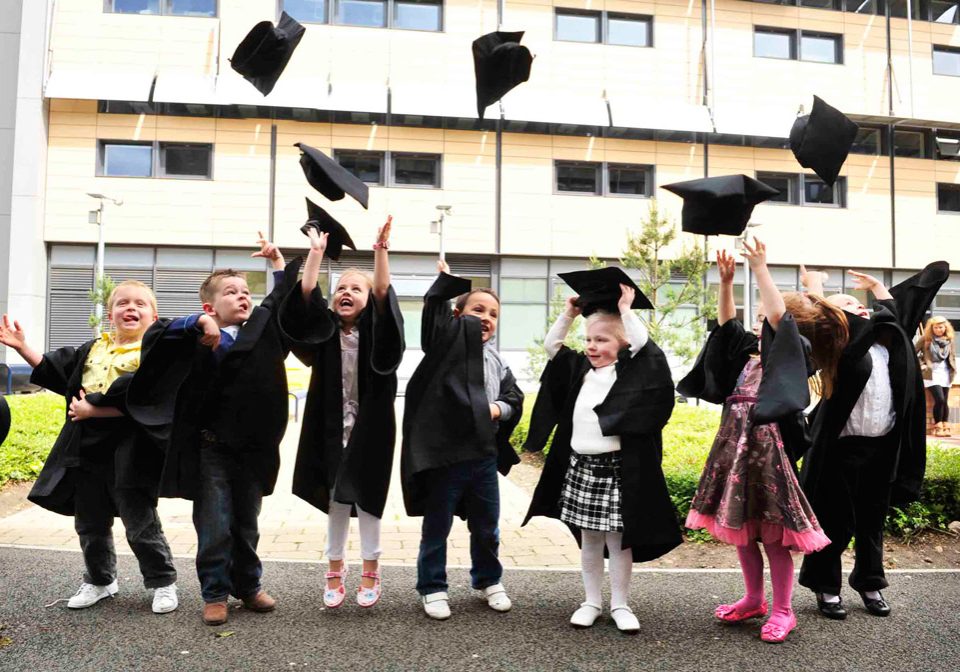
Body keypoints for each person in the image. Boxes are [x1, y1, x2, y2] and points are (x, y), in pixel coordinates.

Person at [127, 234, 298, 626]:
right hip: (211, 450)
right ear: (210, 306)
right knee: (215, 523)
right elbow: (158, 332)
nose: (243, 297)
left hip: (253, 449)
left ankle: (249, 585)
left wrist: (277, 264)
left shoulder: (261, 335)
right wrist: (198, 322)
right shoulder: (198, 337)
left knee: (246, 523)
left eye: (245, 292)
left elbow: (280, 301)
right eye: (231, 292)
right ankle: (215, 592)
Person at [678, 243, 829, 643]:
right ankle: (753, 599)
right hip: (734, 448)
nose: (760, 325)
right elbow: (727, 330)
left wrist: (761, 269)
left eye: (765, 319)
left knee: (774, 536)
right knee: (741, 528)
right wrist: (726, 283)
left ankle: (782, 610)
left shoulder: (795, 354)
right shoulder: (748, 357)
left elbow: (780, 317)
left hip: (768, 452)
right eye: (760, 319)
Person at [0, 282, 178, 614]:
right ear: (110, 314)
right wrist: (22, 347)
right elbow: (56, 370)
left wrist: (96, 410)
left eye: (140, 304)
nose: (131, 308)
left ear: (154, 315)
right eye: (122, 303)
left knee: (139, 522)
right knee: (90, 522)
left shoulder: (154, 355)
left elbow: (153, 399)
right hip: (86, 449)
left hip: (133, 449)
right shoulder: (94, 349)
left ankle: (162, 582)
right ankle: (100, 580)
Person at [786, 261, 948, 620]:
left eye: (859, 304)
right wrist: (815, 287)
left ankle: (870, 582)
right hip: (839, 449)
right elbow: (818, 319)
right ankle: (826, 587)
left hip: (881, 447)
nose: (859, 307)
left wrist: (877, 287)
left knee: (872, 521)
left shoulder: (891, 344)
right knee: (834, 520)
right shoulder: (837, 346)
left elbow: (896, 313)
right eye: (848, 304)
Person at [523, 268, 681, 634]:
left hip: (618, 470)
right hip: (582, 467)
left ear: (622, 344)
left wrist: (627, 311)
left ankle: (620, 604)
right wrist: (569, 315)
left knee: (619, 540)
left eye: (602, 340)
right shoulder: (579, 369)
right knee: (589, 539)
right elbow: (551, 348)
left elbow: (647, 350)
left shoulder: (631, 372)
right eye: (589, 339)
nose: (592, 346)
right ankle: (591, 601)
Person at [278, 218, 404, 609]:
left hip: (370, 428)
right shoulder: (325, 331)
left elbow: (383, 293)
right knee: (335, 500)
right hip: (330, 427)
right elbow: (305, 296)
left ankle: (371, 568)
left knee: (368, 497)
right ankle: (334, 567)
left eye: (355, 288)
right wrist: (315, 254)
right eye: (341, 289)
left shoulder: (377, 331)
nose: (346, 293)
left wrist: (380, 251)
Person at [401, 260, 524, 621]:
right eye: (477, 310)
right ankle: (432, 586)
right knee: (437, 526)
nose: (486, 317)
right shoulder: (444, 347)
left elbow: (515, 398)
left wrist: (497, 409)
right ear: (458, 315)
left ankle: (488, 579)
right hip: (445, 456)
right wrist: (446, 286)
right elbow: (433, 317)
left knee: (487, 525)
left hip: (483, 456)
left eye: (493, 313)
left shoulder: (496, 359)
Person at [918, 316, 956, 437]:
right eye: (936, 327)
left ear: (945, 327)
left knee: (945, 401)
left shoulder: (949, 340)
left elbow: (952, 357)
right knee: (939, 399)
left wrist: (954, 369)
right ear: (931, 328)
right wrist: (922, 365)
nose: (938, 329)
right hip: (931, 373)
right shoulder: (926, 339)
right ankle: (938, 426)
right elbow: (913, 352)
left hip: (946, 373)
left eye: (941, 327)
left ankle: (945, 426)